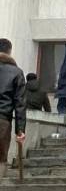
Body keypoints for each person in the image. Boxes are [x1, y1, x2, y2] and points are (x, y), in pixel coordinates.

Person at [0, 39, 27, 180]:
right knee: (0, 158)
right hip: (2, 120)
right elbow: (20, 103)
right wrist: (20, 130)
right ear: (9, 51)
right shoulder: (16, 72)